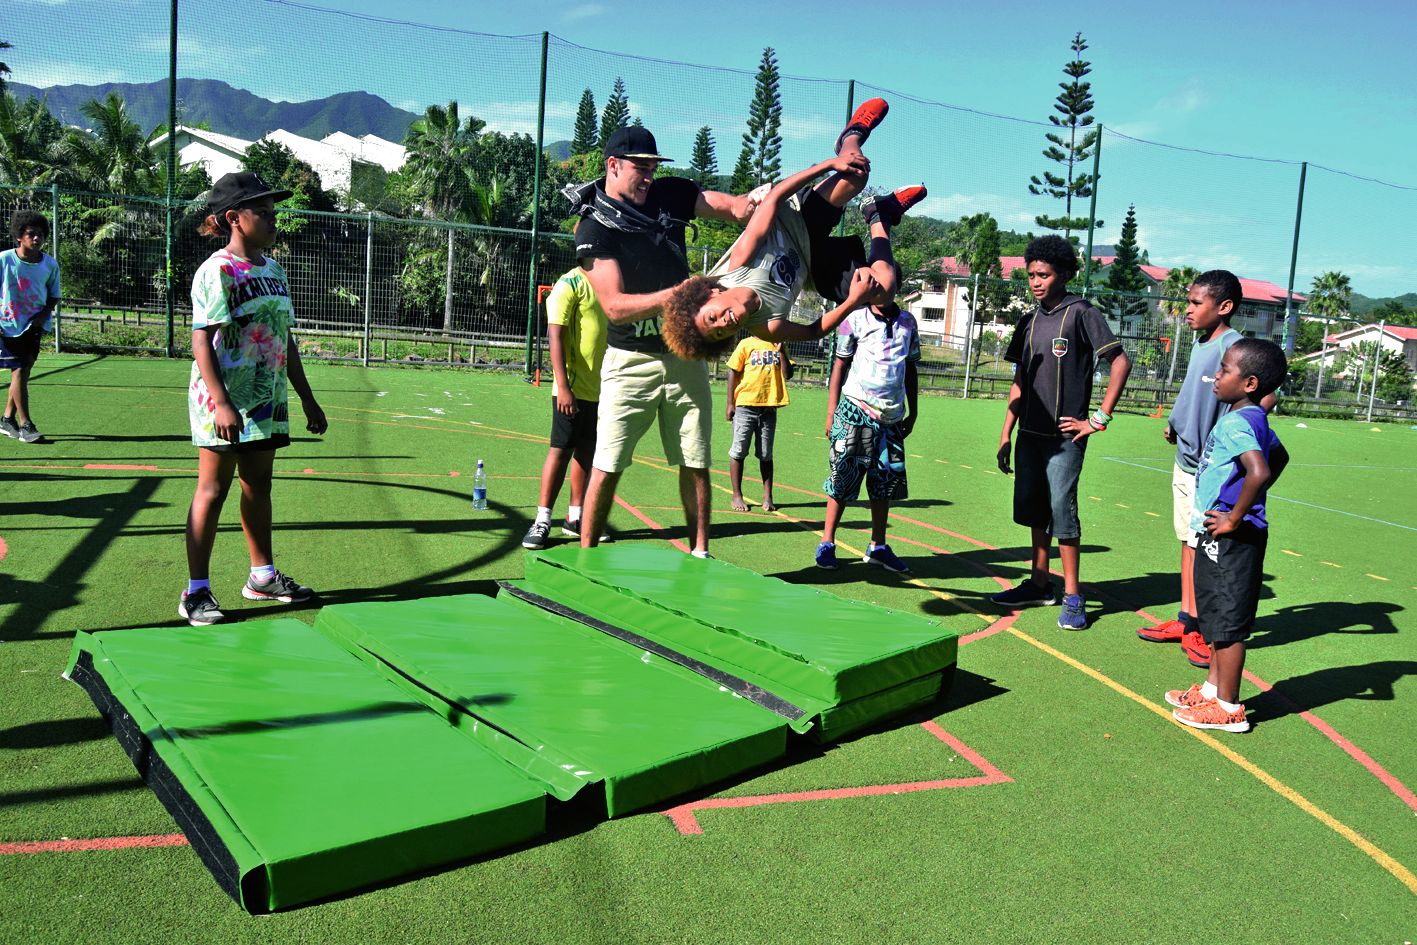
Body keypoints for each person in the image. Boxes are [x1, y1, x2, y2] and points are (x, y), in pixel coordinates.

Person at [563, 124, 763, 558]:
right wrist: (677, 295)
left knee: (696, 462)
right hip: (630, 360)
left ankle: (701, 554)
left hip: (684, 359)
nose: (649, 176)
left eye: (653, 167)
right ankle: (586, 557)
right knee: (608, 464)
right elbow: (614, 306)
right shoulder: (594, 227)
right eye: (641, 167)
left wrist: (758, 201)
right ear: (613, 165)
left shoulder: (671, 194)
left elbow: (732, 208)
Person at [660, 100, 926, 361]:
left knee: (856, 173)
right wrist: (852, 301)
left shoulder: (738, 266)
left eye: (712, 317)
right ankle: (880, 213)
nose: (723, 323)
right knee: (884, 289)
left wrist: (829, 164)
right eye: (718, 334)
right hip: (813, 262)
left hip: (798, 218)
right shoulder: (765, 327)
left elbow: (775, 197)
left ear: (710, 294)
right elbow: (813, 331)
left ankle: (851, 136)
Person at [179, 172, 327, 627]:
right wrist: (221, 401)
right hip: (222, 400)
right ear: (233, 219)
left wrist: (306, 396)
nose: (272, 218)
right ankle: (196, 591)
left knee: (257, 486)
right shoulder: (217, 269)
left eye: (272, 211)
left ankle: (261, 577)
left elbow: (287, 339)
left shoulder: (274, 270)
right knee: (213, 489)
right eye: (261, 211)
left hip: (267, 398)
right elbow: (201, 340)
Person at [991, 235, 1132, 629]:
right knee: (1036, 511)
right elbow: (1021, 379)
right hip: (1029, 437)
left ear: (1064, 274)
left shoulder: (1082, 313)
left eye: (1044, 275)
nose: (1036, 282)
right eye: (1032, 274)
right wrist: (1007, 432)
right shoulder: (1029, 319)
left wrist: (1098, 419)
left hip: (1065, 439)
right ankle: (1040, 583)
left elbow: (1120, 362)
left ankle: (1073, 595)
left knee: (1062, 513)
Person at [1136, 270, 1276, 668]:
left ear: (1225, 307)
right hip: (1185, 458)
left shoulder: (1235, 346)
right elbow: (1194, 393)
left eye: (1197, 303)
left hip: (1208, 469)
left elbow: (1263, 399)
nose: (1189, 310)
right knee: (1187, 539)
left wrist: (1225, 439)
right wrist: (1177, 423)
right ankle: (1187, 619)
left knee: (1204, 547)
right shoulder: (1202, 343)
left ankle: (1202, 627)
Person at [1166, 339, 1289, 733]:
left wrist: (1236, 516)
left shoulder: (1239, 421)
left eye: (1224, 371)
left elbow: (1261, 471)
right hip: (1217, 531)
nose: (1215, 376)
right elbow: (1279, 456)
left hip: (1230, 538)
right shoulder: (1251, 416)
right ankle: (1210, 690)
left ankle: (1229, 707)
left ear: (1249, 382)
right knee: (1216, 617)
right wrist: (1243, 502)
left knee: (1228, 624)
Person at [814, 296, 920, 575]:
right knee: (843, 477)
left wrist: (914, 410)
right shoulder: (854, 319)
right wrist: (831, 412)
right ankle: (827, 543)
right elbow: (840, 364)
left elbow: (910, 368)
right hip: (855, 410)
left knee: (884, 481)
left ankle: (878, 546)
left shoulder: (908, 322)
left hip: (892, 416)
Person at [522, 264, 609, 549]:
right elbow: (554, 336)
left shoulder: (611, 281)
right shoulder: (569, 284)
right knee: (560, 452)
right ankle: (542, 520)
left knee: (588, 452)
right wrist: (563, 387)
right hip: (570, 389)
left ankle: (575, 518)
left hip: (603, 390)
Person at [0, 210, 61, 444]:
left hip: (33, 327)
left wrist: (43, 315)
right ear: (19, 236)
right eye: (31, 234)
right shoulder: (4, 260)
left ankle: (7, 418)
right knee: (19, 371)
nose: (37, 238)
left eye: (41, 234)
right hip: (7, 325)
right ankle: (25, 425)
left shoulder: (50, 265)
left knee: (23, 373)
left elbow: (54, 295)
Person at [724, 336, 792, 512]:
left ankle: (768, 497)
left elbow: (788, 374)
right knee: (739, 451)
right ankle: (737, 495)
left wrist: (782, 352)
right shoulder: (746, 344)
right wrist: (730, 403)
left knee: (766, 454)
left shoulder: (778, 344)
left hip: (769, 409)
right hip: (745, 406)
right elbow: (733, 371)